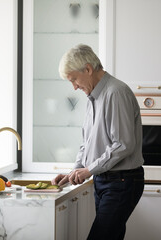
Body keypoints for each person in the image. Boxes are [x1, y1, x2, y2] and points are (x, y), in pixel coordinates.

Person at [52, 44, 144, 240]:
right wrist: (73, 173)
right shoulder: (93, 97)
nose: (74, 86)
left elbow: (123, 144)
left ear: (88, 69)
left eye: (74, 79)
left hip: (122, 181)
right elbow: (88, 143)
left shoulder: (115, 93)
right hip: (105, 180)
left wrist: (88, 170)